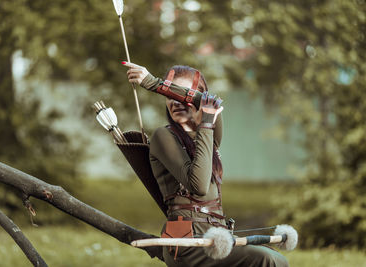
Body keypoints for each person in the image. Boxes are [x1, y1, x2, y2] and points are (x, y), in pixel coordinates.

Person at [123, 61, 289, 267]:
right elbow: (199, 186)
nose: (175, 102)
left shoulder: (207, 135)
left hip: (217, 237)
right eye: (170, 97)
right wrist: (154, 84)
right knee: (269, 260)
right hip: (187, 244)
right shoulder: (163, 136)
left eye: (182, 96)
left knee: (274, 258)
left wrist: (155, 84)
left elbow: (211, 105)